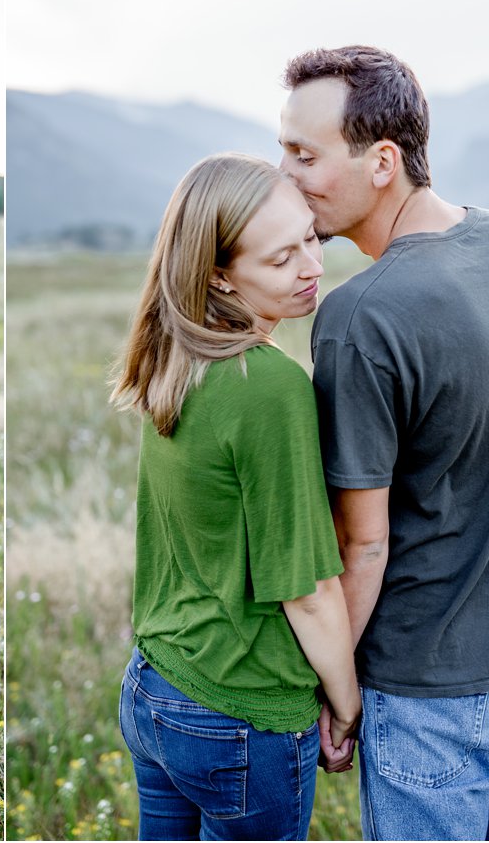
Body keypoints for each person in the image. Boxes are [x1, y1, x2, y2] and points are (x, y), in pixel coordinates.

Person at [280, 45, 489, 843]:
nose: (285, 176)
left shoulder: (359, 318)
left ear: (382, 160)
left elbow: (365, 542)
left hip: (426, 702)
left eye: (304, 154)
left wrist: (336, 694)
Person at [111, 154, 361, 841]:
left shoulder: (175, 357)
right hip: (240, 714)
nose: (312, 264)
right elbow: (307, 588)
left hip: (154, 686)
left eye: (312, 237)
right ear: (219, 273)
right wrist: (345, 702)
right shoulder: (268, 386)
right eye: (283, 257)